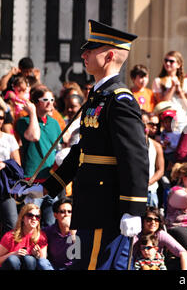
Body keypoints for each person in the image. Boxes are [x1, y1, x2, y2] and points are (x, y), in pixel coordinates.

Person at [20, 19, 149, 270]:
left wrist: (133, 208)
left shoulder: (119, 99)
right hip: (91, 204)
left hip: (106, 207)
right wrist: (48, 188)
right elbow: (82, 151)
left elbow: (135, 156)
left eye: (91, 50)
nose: (84, 54)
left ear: (110, 55)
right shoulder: (98, 97)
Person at [15, 85, 61, 228]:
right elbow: (34, 136)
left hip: (51, 181)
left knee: (52, 223)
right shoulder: (24, 121)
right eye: (45, 99)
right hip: (32, 182)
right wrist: (33, 113)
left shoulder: (54, 123)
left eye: (52, 99)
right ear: (35, 103)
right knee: (30, 225)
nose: (50, 103)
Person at [152, 51, 187, 133]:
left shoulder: (185, 81)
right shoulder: (158, 81)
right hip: (166, 122)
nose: (168, 63)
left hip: (182, 120)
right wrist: (172, 87)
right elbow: (161, 104)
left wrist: (180, 92)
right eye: (166, 60)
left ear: (178, 64)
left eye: (171, 61)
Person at [0, 203, 48, 270]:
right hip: (12, 266)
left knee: (29, 259)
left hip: (30, 266)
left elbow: (43, 261)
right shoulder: (10, 236)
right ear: (22, 218)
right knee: (13, 259)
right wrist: (13, 253)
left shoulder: (41, 236)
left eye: (37, 216)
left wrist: (37, 256)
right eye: (30, 215)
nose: (34, 218)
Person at [0, 106, 21, 237]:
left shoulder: (9, 138)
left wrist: (4, 164)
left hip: (5, 186)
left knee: (12, 224)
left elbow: (17, 165)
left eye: (1, 117)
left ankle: (6, 255)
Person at [38, 197, 75, 270]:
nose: (66, 214)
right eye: (62, 212)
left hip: (73, 267)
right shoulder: (48, 231)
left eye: (69, 211)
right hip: (54, 267)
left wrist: (72, 231)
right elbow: (43, 257)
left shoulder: (79, 231)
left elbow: (80, 254)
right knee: (42, 262)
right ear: (55, 215)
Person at [141, 112, 164, 208]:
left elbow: (160, 170)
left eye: (147, 123)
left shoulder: (156, 146)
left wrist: (148, 182)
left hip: (150, 191)